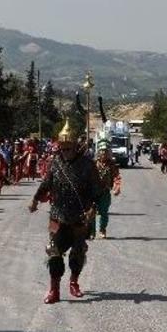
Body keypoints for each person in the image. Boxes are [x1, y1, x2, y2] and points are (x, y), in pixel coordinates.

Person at [29, 120, 99, 304]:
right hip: (58, 215)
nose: (65, 152)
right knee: (54, 251)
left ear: (76, 147)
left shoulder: (88, 165)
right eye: (63, 148)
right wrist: (36, 199)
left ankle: (74, 282)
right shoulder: (55, 163)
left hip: (79, 216)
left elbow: (97, 190)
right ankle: (54, 289)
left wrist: (93, 207)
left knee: (77, 252)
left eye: (69, 149)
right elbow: (46, 183)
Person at [90, 141, 122, 240]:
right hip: (93, 192)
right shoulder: (92, 164)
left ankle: (102, 230)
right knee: (91, 213)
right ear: (98, 152)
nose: (103, 154)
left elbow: (117, 177)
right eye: (102, 151)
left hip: (104, 192)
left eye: (105, 152)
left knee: (104, 212)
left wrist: (117, 188)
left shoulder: (112, 165)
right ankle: (92, 232)